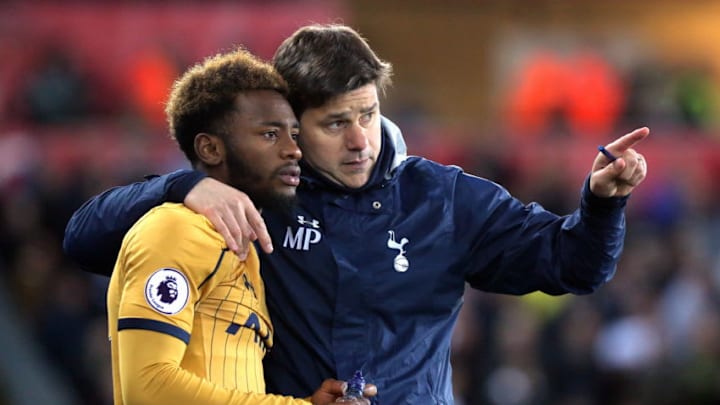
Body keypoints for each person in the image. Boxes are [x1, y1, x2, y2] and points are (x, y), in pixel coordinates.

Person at [64, 24, 648, 404]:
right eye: (334, 123)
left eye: (367, 114)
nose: (359, 140)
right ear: (294, 123)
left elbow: (573, 265)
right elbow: (83, 240)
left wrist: (601, 203)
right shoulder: (259, 193)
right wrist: (183, 186)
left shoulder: (442, 199)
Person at [102, 47, 373, 405]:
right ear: (211, 149)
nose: (294, 150)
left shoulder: (245, 249)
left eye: (294, 134)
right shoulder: (175, 230)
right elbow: (148, 387)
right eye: (270, 135)